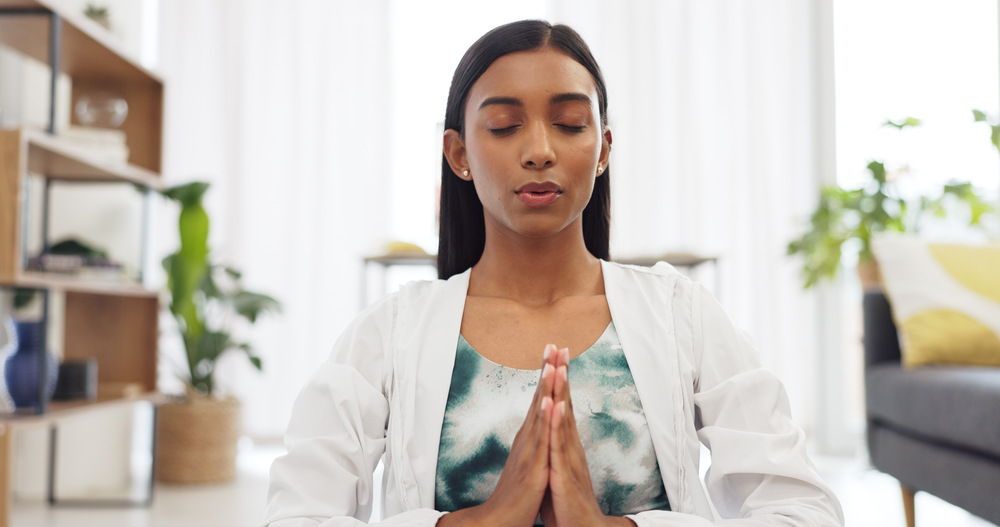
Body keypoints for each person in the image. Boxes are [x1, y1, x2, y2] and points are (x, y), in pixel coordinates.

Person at [263, 20, 844, 527]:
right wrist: (477, 524)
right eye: (504, 126)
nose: (539, 149)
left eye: (568, 124)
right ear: (459, 153)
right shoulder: (388, 334)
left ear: (603, 149)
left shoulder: (681, 316)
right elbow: (296, 517)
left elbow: (806, 514)